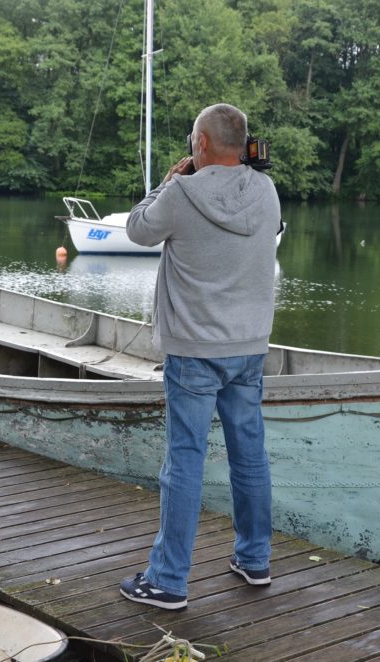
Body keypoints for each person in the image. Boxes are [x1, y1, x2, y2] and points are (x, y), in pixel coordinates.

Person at [120, 103, 281, 610]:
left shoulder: (181, 193)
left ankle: (168, 580)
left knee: (185, 460)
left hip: (193, 350)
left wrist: (169, 180)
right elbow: (269, 233)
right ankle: (255, 560)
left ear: (202, 144)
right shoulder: (268, 191)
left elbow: (136, 228)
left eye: (194, 139)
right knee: (249, 454)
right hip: (250, 347)